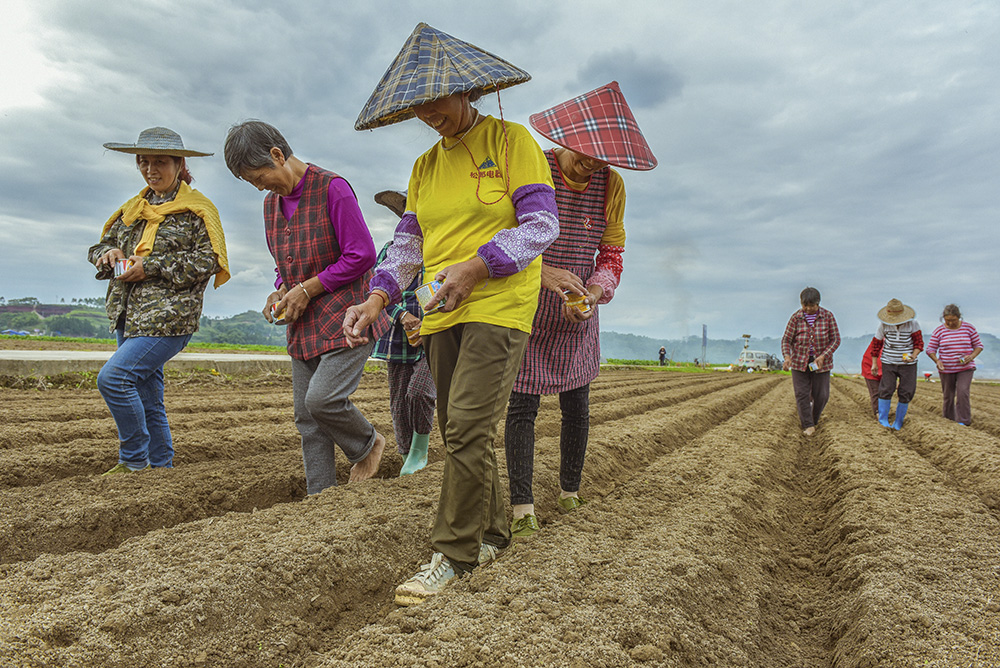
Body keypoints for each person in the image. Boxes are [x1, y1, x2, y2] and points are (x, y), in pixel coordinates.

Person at [344, 23, 558, 605]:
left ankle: (453, 553)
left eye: (435, 101)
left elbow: (541, 227)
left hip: (500, 303)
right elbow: (409, 245)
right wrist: (378, 297)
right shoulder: (424, 166)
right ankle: (491, 534)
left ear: (466, 90)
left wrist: (477, 267)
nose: (428, 113)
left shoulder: (514, 143)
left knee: (465, 424)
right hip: (440, 309)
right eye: (418, 106)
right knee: (459, 431)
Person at [504, 82, 656, 538]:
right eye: (584, 151)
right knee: (522, 408)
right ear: (565, 138)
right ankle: (522, 509)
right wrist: (544, 273)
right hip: (528, 304)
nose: (591, 161)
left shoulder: (611, 185)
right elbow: (506, 237)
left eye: (601, 155)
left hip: (577, 314)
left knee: (578, 406)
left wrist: (594, 291)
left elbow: (611, 254)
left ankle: (570, 493)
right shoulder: (536, 170)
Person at [223, 120, 388, 495]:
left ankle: (368, 443)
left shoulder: (333, 189)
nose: (260, 186)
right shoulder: (271, 206)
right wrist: (279, 291)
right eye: (251, 182)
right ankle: (320, 499)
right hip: (303, 324)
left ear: (278, 155)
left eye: (259, 176)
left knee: (323, 400)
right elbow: (285, 265)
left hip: (347, 317)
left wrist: (307, 289)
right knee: (306, 418)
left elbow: (362, 255)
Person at [89, 127, 229, 474]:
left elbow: (208, 261)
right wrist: (108, 254)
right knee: (149, 396)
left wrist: (148, 267)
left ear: (180, 165)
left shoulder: (198, 211)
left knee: (114, 379)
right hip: (128, 316)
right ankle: (161, 467)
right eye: (144, 162)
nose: (151, 169)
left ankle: (133, 460)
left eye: (160, 162)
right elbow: (98, 246)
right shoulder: (131, 209)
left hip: (168, 320)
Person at [370, 189, 437, 475]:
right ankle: (406, 456)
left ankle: (419, 451)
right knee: (399, 401)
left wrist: (428, 322)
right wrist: (403, 315)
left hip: (435, 333)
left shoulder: (443, 252)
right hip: (399, 336)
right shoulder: (390, 251)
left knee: (420, 392)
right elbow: (378, 288)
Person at [781, 287, 841, 436]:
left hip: (821, 364)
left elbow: (835, 339)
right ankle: (808, 425)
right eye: (805, 305)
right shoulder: (796, 318)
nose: (808, 309)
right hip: (799, 362)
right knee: (801, 394)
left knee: (821, 395)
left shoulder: (828, 317)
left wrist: (823, 356)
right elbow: (786, 340)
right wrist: (787, 357)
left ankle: (813, 419)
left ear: (818, 303)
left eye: (812, 305)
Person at [925, 304, 983, 425]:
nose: (951, 323)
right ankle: (948, 420)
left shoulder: (969, 328)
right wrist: (937, 361)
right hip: (946, 368)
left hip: (965, 368)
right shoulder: (939, 330)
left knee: (963, 392)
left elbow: (979, 346)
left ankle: (964, 421)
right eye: (948, 321)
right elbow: (930, 349)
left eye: (953, 320)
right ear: (944, 319)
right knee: (948, 395)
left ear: (959, 317)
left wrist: (971, 356)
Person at [871, 298, 922, 430]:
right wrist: (874, 364)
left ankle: (898, 421)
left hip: (908, 364)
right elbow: (876, 345)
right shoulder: (883, 325)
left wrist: (913, 356)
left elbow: (919, 344)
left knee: (906, 391)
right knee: (886, 389)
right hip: (889, 361)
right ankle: (883, 420)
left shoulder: (913, 324)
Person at [861, 339, 882, 419]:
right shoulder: (878, 340)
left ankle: (883, 411)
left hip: (885, 369)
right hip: (870, 367)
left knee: (885, 391)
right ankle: (878, 412)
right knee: (875, 392)